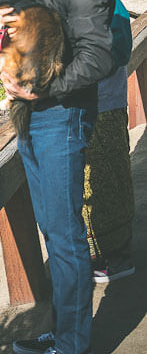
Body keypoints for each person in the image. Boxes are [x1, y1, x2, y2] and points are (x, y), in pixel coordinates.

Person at [0, 0, 115, 354]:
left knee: (64, 238)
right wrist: (2, 35)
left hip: (62, 116)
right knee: (53, 230)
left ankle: (72, 345)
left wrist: (39, 89)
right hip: (33, 114)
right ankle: (62, 333)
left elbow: (97, 60)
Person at [83, 64, 135, 283]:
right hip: (99, 97)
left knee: (103, 179)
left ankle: (114, 258)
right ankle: (107, 255)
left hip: (100, 100)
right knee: (104, 175)